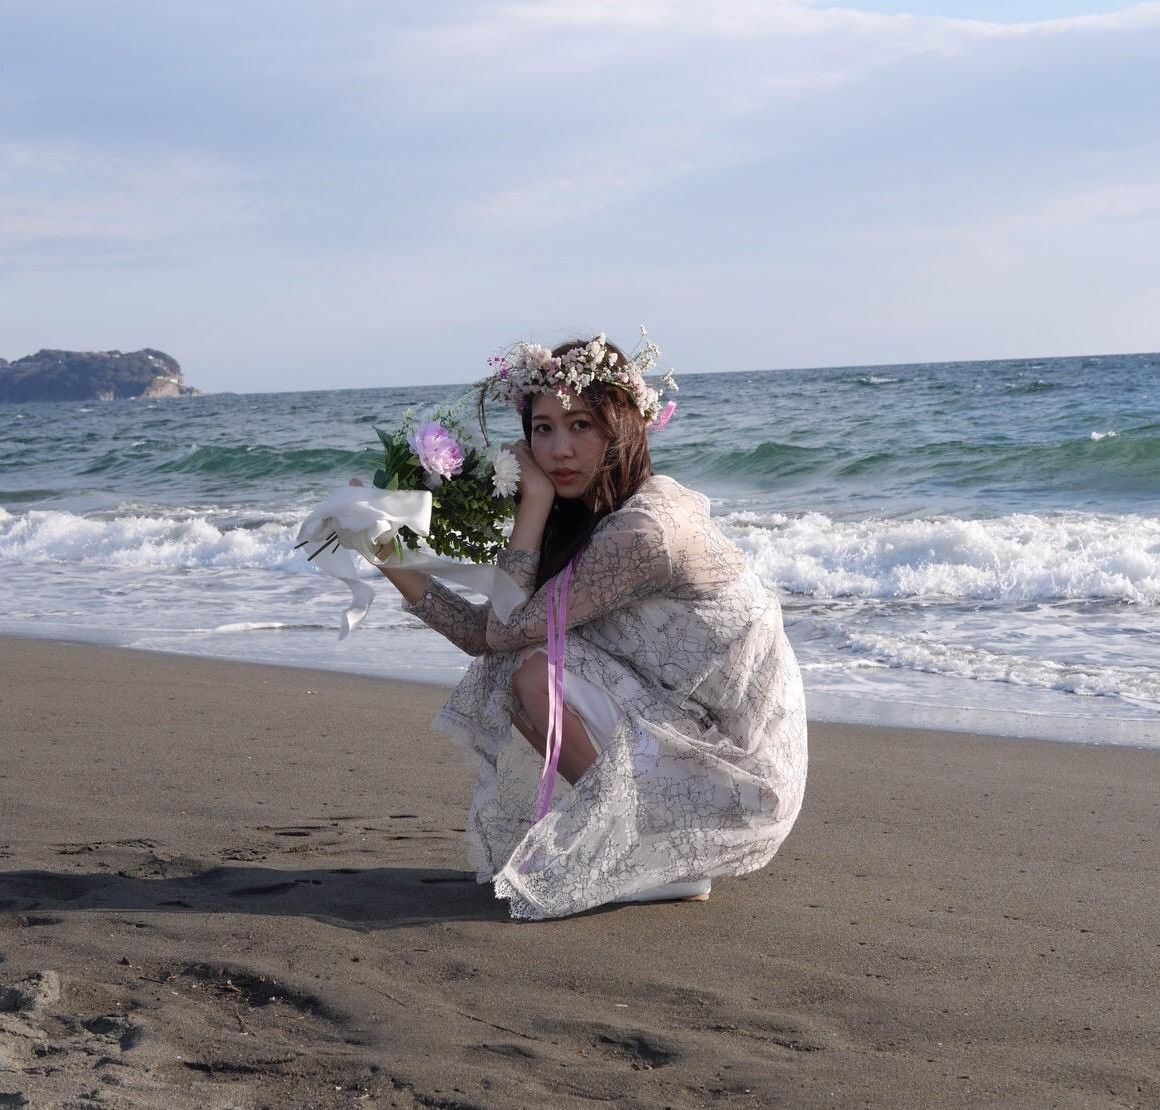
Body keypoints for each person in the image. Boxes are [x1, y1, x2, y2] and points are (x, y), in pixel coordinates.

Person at [378, 334, 807, 920]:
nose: (559, 449)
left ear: (622, 426)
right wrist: (386, 553)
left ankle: (640, 853)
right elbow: (491, 634)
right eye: (543, 428)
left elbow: (502, 633)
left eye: (581, 424)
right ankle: (644, 848)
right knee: (521, 661)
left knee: (531, 669)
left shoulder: (642, 533)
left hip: (742, 784)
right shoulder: (604, 517)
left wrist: (532, 503)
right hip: (696, 745)